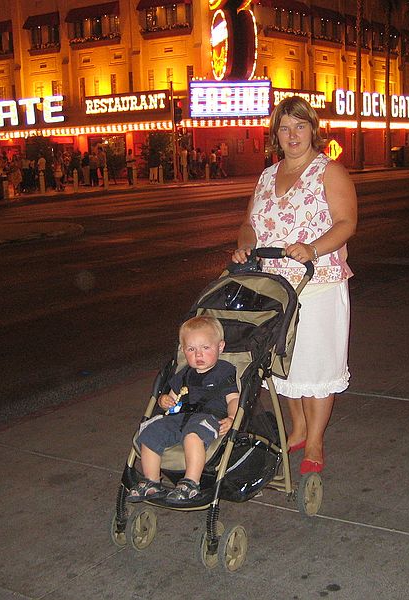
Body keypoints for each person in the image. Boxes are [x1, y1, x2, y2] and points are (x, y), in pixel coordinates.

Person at [231, 96, 357, 474]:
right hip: (273, 287)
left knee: (316, 365)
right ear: (276, 135)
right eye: (285, 128)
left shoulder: (328, 172)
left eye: (299, 126)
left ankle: (315, 441)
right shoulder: (267, 176)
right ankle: (298, 428)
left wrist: (312, 249)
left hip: (316, 283)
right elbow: (249, 223)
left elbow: (346, 222)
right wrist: (244, 245)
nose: (292, 135)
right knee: (284, 363)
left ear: (312, 130)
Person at [128, 316, 239, 503]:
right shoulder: (185, 373)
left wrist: (232, 417)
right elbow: (171, 396)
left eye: (205, 348)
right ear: (183, 350)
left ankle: (190, 483)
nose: (198, 355)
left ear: (220, 347)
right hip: (180, 417)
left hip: (208, 418)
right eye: (191, 349)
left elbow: (234, 398)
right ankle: (152, 481)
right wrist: (165, 400)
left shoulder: (224, 371)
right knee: (150, 431)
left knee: (192, 436)